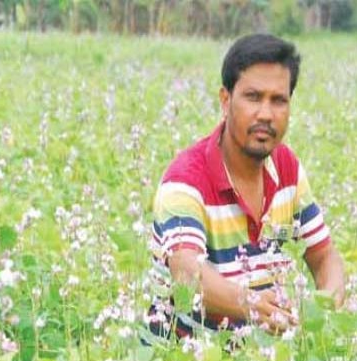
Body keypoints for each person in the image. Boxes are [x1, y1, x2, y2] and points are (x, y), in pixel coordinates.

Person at [146, 34, 345, 340]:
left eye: (278, 100)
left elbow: (324, 256)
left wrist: (324, 310)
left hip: (260, 359)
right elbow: (187, 275)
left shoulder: (287, 169)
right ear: (225, 101)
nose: (266, 114)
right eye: (253, 97)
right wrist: (254, 304)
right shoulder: (186, 179)